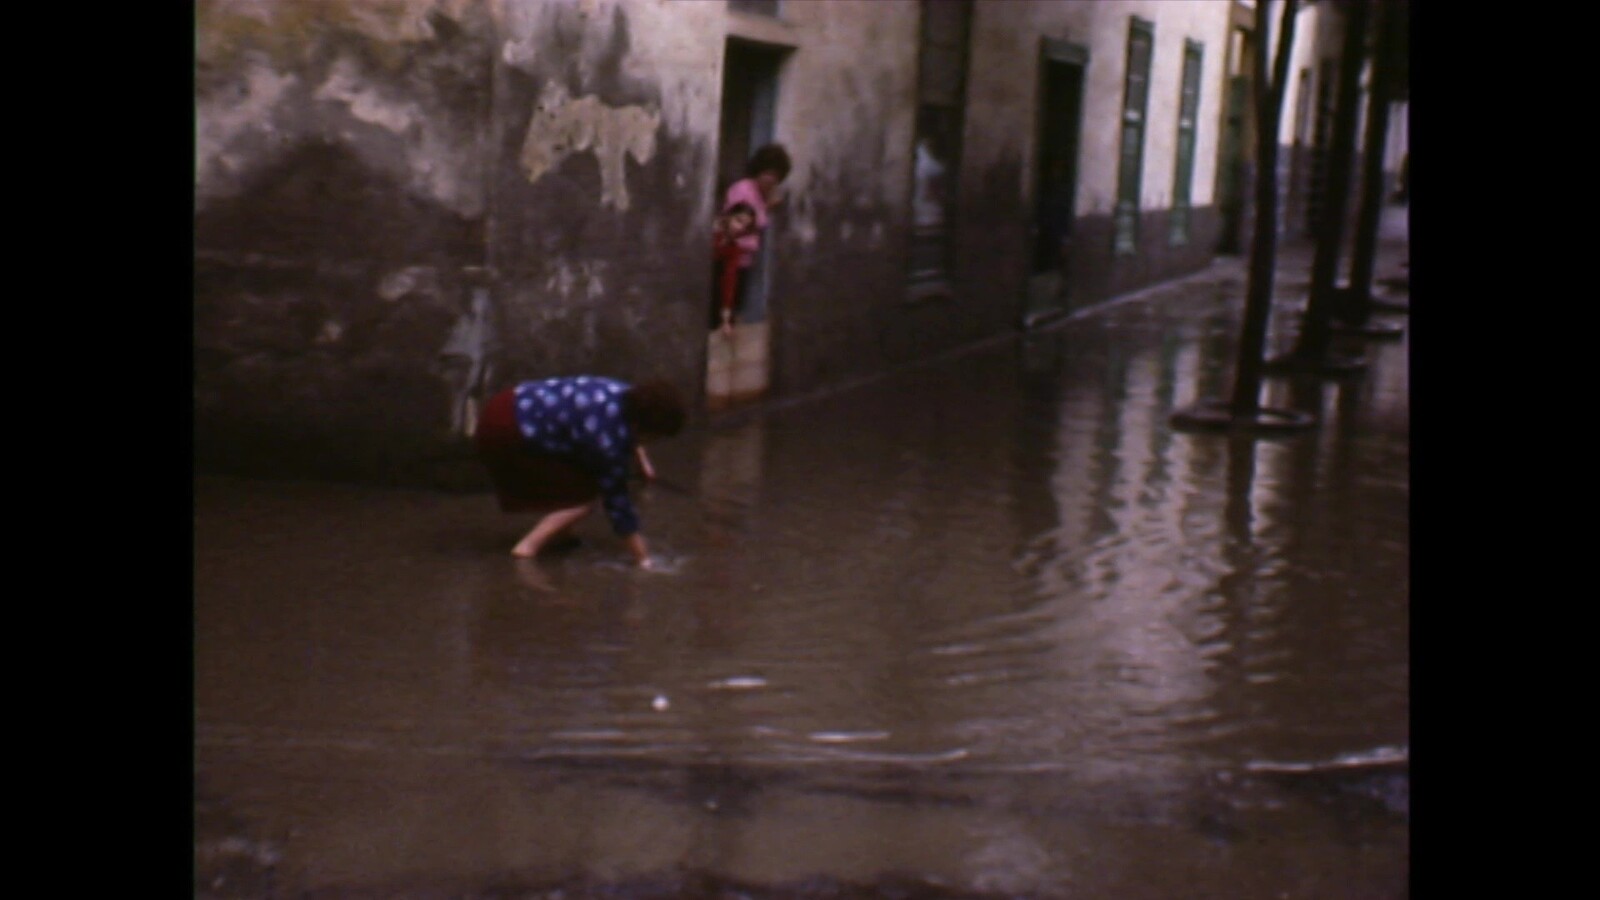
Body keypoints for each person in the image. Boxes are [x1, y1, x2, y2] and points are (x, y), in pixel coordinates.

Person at [475, 375, 687, 569]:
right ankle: (527, 548)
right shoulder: (607, 441)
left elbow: (629, 433)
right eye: (655, 437)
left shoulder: (624, 393)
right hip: (506, 432)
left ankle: (561, 535)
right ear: (643, 428)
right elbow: (618, 504)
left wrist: (643, 461)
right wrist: (643, 558)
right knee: (583, 497)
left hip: (506, 403)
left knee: (576, 472)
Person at [719, 143, 792, 318]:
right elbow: (737, 224)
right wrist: (767, 207)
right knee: (725, 312)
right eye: (767, 173)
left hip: (745, 260)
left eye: (775, 176)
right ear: (758, 170)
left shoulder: (759, 194)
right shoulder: (742, 190)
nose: (770, 180)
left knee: (735, 310)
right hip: (730, 259)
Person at [710, 202, 757, 337]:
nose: (740, 228)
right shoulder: (710, 232)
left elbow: (729, 280)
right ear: (729, 216)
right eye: (738, 220)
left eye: (745, 226)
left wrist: (726, 318)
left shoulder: (734, 247)